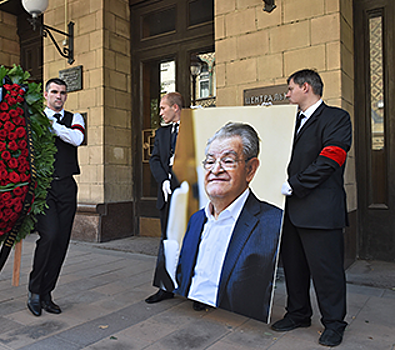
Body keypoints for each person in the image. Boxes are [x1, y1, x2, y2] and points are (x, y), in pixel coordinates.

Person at [271, 69, 352, 347]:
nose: (287, 93)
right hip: (291, 211)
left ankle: (333, 323)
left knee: (326, 271)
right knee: (294, 268)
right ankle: (298, 313)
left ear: (306, 87)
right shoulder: (290, 122)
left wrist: (296, 184)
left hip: (320, 211)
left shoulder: (336, 118)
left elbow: (331, 159)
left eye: (290, 88)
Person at [172, 123, 282, 322]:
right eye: (210, 161)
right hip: (186, 313)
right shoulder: (196, 219)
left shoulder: (274, 224)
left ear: (250, 169)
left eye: (228, 161)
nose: (216, 170)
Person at [27, 78, 85, 316]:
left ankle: (47, 294)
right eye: (54, 92)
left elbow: (77, 139)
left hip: (67, 187)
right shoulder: (34, 119)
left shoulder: (75, 119)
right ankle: (34, 291)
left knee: (61, 242)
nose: (58, 96)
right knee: (49, 236)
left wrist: (52, 126)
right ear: (46, 94)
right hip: (44, 188)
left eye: (62, 93)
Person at [145, 92, 183, 304]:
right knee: (168, 239)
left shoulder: (192, 128)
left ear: (175, 108)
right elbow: (155, 159)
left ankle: (191, 290)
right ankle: (165, 287)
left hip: (189, 192)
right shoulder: (161, 133)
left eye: (163, 108)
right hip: (167, 193)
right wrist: (164, 181)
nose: (160, 112)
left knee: (190, 239)